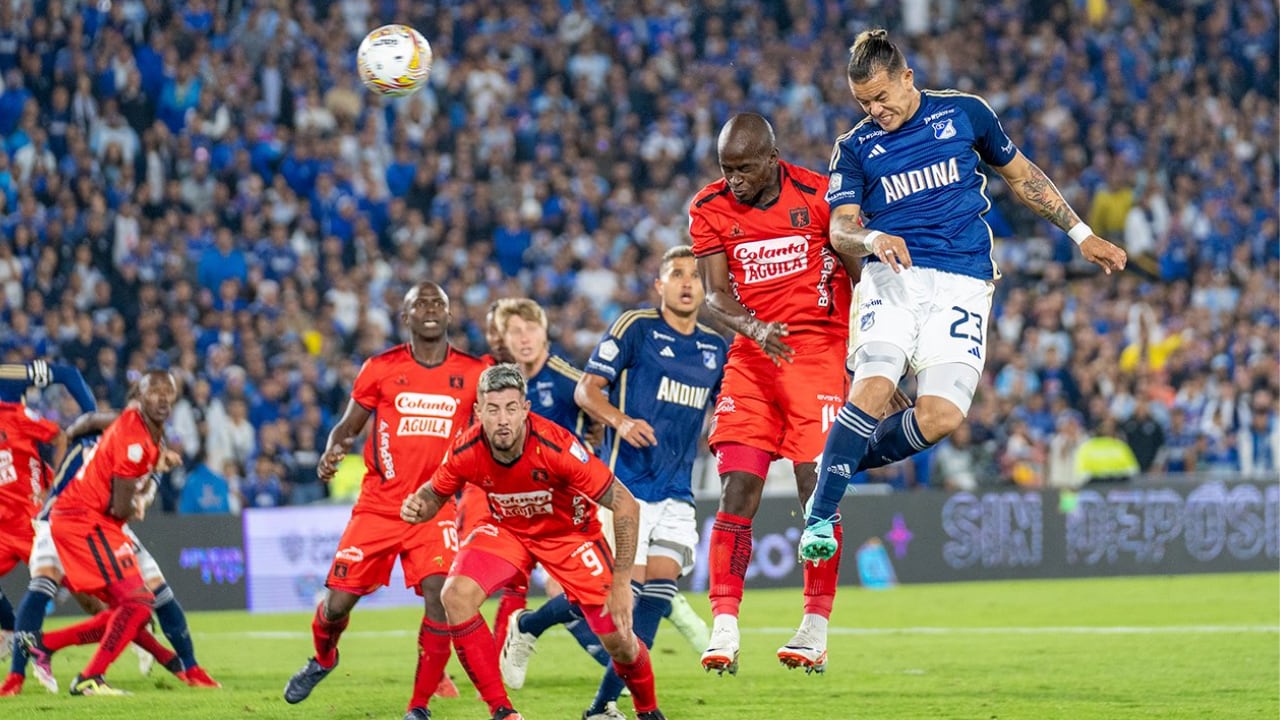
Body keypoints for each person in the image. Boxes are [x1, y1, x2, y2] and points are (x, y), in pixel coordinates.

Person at [800, 30, 1127, 560]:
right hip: (894, 276)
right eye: (863, 102)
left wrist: (1081, 234)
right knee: (875, 385)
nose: (874, 110)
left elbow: (1022, 176)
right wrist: (873, 238)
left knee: (942, 416)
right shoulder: (855, 148)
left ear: (908, 77)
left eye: (881, 96)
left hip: (965, 281)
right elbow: (840, 229)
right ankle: (820, 516)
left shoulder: (965, 114)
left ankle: (835, 464)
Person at [688, 112, 858, 675]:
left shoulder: (819, 195)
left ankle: (815, 628)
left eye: (743, 169)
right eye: (726, 169)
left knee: (817, 491)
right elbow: (715, 295)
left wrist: (873, 362)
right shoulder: (709, 207)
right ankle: (724, 626)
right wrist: (755, 329)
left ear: (772, 158)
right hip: (754, 353)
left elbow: (861, 277)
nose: (733, 180)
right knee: (737, 487)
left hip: (819, 350)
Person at [401, 364, 667, 720]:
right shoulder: (467, 448)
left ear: (525, 409)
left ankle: (647, 710)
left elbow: (625, 504)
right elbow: (434, 493)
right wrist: (419, 505)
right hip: (508, 530)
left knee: (620, 641)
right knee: (455, 595)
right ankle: (502, 711)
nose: (503, 420)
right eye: (493, 409)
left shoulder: (556, 446)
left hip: (569, 535)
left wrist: (621, 583)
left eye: (511, 408)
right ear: (478, 412)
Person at [283, 282, 489, 720]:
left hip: (435, 506)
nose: (430, 309)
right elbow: (347, 426)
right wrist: (332, 450)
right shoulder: (380, 367)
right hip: (379, 506)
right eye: (420, 303)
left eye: (438, 303)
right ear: (405, 316)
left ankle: (419, 705)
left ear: (449, 315)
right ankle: (323, 657)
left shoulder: (474, 373)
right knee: (336, 605)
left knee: (440, 597)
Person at [571, 245, 727, 719]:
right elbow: (586, 389)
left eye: (695, 275)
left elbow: (727, 408)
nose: (687, 283)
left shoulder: (715, 348)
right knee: (625, 601)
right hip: (627, 490)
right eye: (676, 274)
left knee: (655, 603)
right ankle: (608, 699)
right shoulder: (635, 328)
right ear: (660, 285)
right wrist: (620, 421)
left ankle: (603, 706)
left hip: (678, 490)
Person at [7, 403, 220, 696]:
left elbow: (145, 487)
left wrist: (145, 491)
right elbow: (82, 431)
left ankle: (186, 666)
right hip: (62, 520)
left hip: (105, 526)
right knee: (47, 586)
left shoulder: (145, 444)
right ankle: (19, 674)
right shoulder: (97, 439)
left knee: (144, 599)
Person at [17, 370, 179, 696]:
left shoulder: (137, 425)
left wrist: (71, 434)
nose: (162, 398)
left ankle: (46, 645)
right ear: (140, 397)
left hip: (84, 520)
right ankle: (87, 676)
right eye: (154, 391)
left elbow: (91, 420)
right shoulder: (135, 442)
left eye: (168, 391)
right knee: (137, 604)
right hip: (84, 521)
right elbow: (120, 509)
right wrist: (144, 493)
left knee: (130, 608)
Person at [0, 397, 65, 670]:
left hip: (31, 522)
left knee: (85, 589)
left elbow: (59, 437)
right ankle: (12, 631)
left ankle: (133, 626)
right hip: (4, 528)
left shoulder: (15, 415)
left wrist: (55, 487)